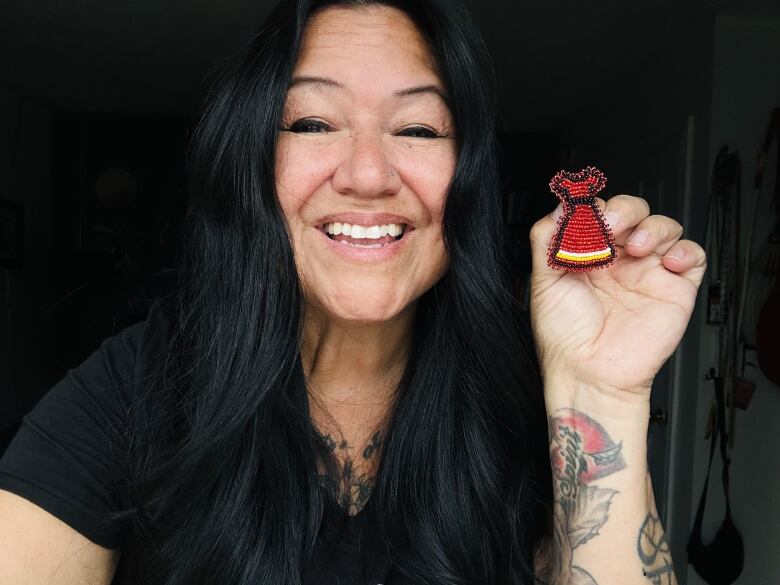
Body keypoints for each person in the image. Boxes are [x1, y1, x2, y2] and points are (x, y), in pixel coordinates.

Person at [0, 0, 705, 583]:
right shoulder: (132, 389)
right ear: (250, 163)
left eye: (418, 128)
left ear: (467, 178)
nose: (368, 175)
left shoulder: (525, 409)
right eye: (313, 122)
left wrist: (599, 393)